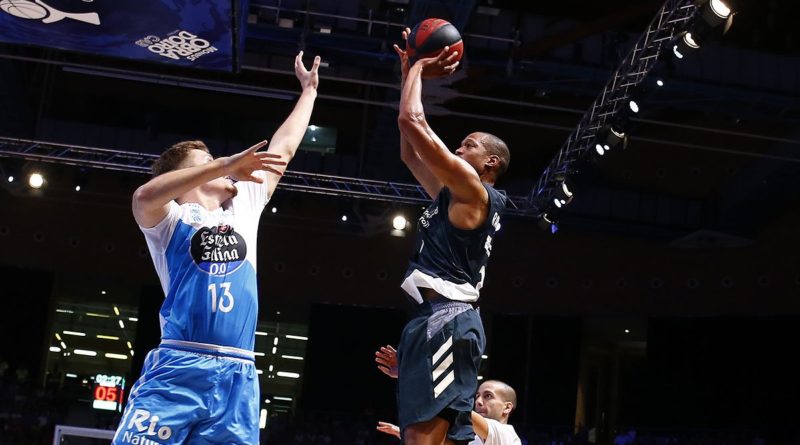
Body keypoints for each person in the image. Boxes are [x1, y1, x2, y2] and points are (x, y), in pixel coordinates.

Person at [111, 51, 320, 445]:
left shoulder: (243, 206)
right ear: (186, 175)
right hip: (178, 365)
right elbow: (142, 197)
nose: (225, 169)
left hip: (238, 375)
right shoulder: (170, 220)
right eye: (207, 162)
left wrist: (308, 92)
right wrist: (223, 163)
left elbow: (285, 148)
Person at [391, 28, 511, 445]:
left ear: (490, 161)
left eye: (469, 145)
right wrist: (408, 72)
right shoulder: (454, 197)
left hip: (447, 318)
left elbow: (413, 120)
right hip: (435, 319)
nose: (460, 151)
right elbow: (409, 149)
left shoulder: (473, 189)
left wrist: (420, 67)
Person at [375, 345, 521, 445]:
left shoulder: (507, 435)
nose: (479, 402)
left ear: (507, 408)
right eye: (477, 396)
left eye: (488, 396)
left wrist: (410, 374)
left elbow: (453, 405)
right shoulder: (473, 437)